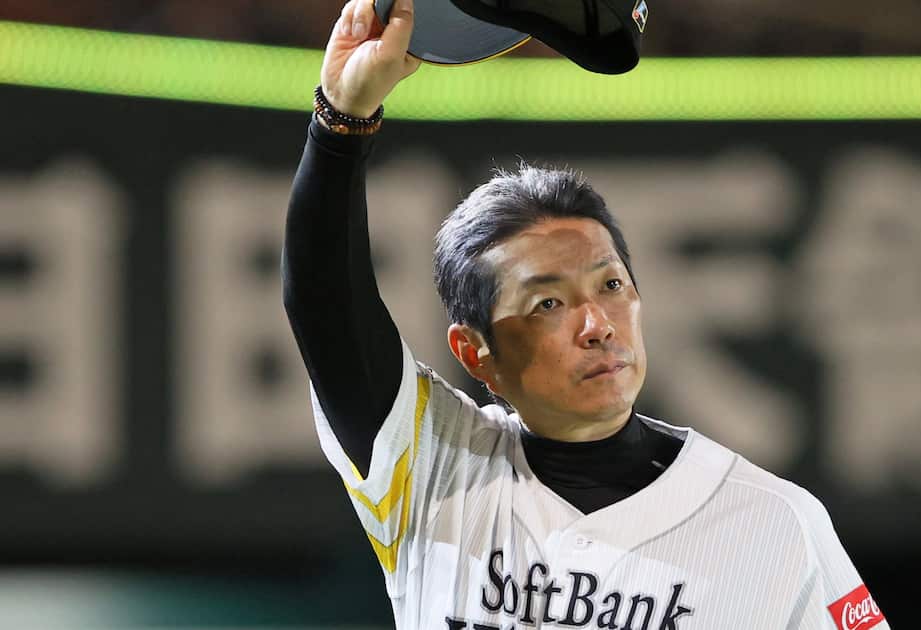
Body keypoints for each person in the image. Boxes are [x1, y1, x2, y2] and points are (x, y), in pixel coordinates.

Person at [282, 1, 889, 628]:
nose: (597, 325)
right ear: (475, 353)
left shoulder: (775, 523)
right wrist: (341, 120)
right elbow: (326, 309)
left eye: (611, 285)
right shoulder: (435, 470)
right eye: (547, 303)